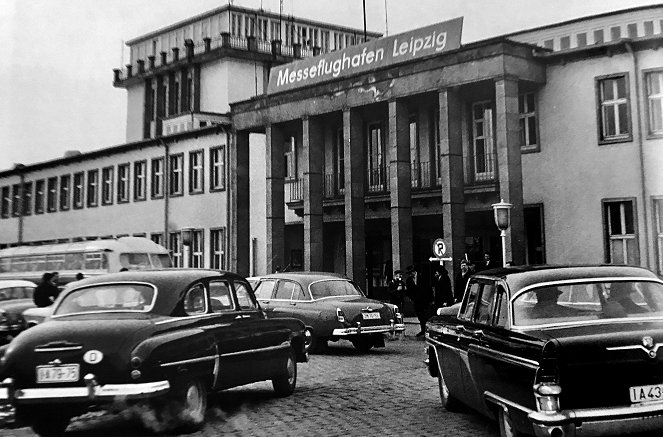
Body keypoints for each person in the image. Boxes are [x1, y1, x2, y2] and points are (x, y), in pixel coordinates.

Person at [405, 265, 432, 337]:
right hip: (416, 301)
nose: (410, 275)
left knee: (426, 316)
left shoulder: (423, 277)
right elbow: (409, 291)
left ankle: (427, 330)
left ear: (414, 272)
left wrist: (430, 299)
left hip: (425, 300)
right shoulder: (409, 280)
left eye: (411, 273)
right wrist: (412, 298)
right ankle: (423, 330)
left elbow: (428, 289)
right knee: (420, 316)